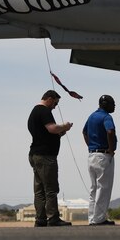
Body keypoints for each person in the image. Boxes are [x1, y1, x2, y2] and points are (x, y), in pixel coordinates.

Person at [27, 90, 73, 227]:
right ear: (49, 99)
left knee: (39, 190)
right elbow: (52, 128)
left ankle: (40, 219)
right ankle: (53, 218)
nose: (55, 106)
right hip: (45, 157)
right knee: (51, 188)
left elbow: (45, 134)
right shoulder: (44, 111)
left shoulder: (35, 112)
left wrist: (60, 133)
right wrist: (64, 126)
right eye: (55, 103)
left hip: (35, 154)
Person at [82, 95, 117, 226]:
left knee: (94, 188)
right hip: (103, 155)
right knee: (103, 187)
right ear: (106, 104)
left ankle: (92, 217)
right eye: (113, 103)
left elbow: (84, 132)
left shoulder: (91, 116)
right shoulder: (106, 117)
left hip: (92, 155)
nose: (114, 106)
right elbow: (110, 131)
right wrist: (111, 149)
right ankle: (99, 219)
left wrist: (91, 146)